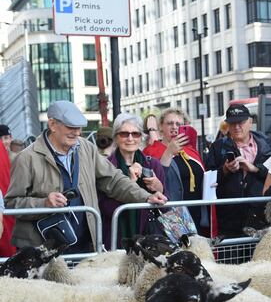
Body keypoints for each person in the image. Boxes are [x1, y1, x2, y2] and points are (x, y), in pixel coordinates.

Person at [6, 101, 167, 253]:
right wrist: (44, 203)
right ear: (52, 125)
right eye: (70, 126)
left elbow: (113, 179)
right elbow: (11, 204)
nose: (76, 132)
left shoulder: (86, 148)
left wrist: (146, 197)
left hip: (84, 246)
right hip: (41, 250)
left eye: (79, 127)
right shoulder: (26, 158)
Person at [98, 114, 168, 249]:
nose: (130, 138)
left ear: (141, 137)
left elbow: (166, 205)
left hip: (150, 236)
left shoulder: (153, 164)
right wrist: (130, 182)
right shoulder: (106, 166)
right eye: (124, 134)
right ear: (116, 137)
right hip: (117, 237)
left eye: (135, 134)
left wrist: (159, 188)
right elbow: (106, 208)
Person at [204, 103, 271, 235]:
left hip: (261, 216)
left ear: (250, 122)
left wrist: (255, 169)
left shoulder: (266, 143)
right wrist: (225, 170)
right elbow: (207, 180)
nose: (237, 127)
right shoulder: (218, 147)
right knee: (233, 253)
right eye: (232, 123)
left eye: (240, 122)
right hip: (229, 219)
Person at [143, 108, 205, 227]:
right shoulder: (151, 151)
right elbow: (155, 183)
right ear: (160, 126)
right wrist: (168, 152)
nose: (174, 127)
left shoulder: (191, 151)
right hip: (169, 215)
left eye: (179, 124)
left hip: (197, 212)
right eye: (169, 123)